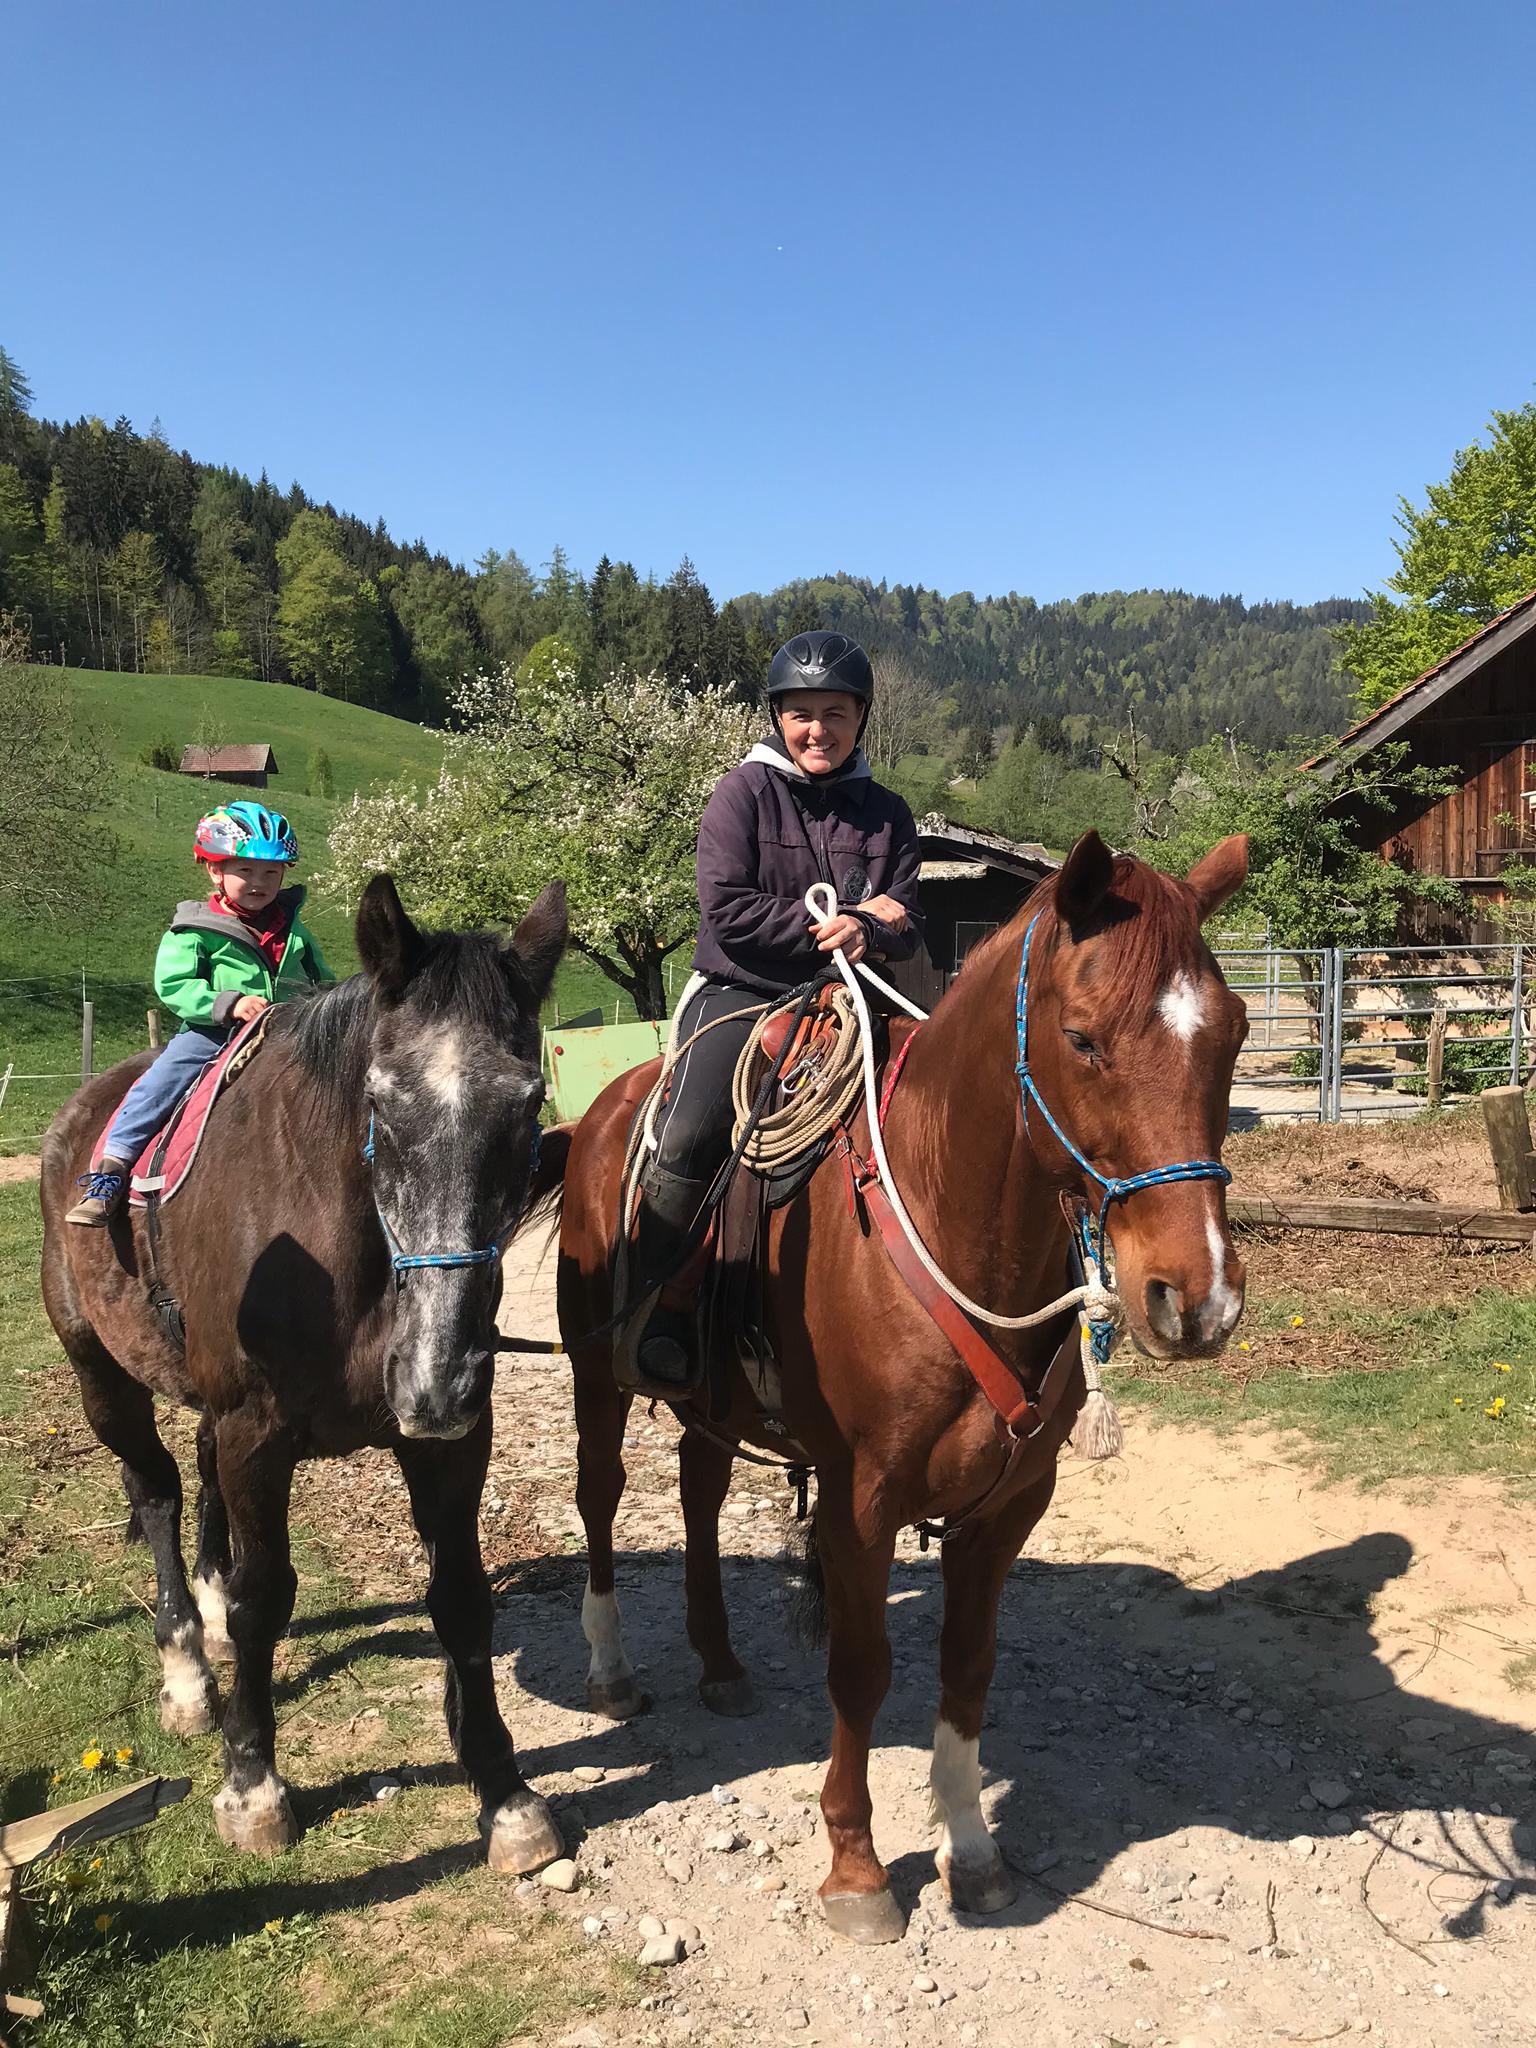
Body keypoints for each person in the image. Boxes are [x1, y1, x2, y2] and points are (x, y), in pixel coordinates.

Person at [627, 630, 926, 1386]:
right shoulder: (742, 794)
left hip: (853, 998)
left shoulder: (888, 814)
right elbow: (726, 909)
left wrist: (874, 927)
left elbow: (908, 917)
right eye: (801, 713)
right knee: (694, 1130)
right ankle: (662, 1301)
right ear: (776, 717)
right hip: (741, 991)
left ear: (861, 718)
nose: (817, 728)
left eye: (834, 711)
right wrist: (833, 925)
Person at [66, 801, 334, 1225]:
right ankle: (112, 1169)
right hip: (213, 1033)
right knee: (160, 1082)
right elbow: (175, 985)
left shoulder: (294, 930)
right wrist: (228, 1004)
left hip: (287, 1032)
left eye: (271, 872)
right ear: (214, 870)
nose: (259, 881)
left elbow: (322, 979)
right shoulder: (193, 930)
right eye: (244, 870)